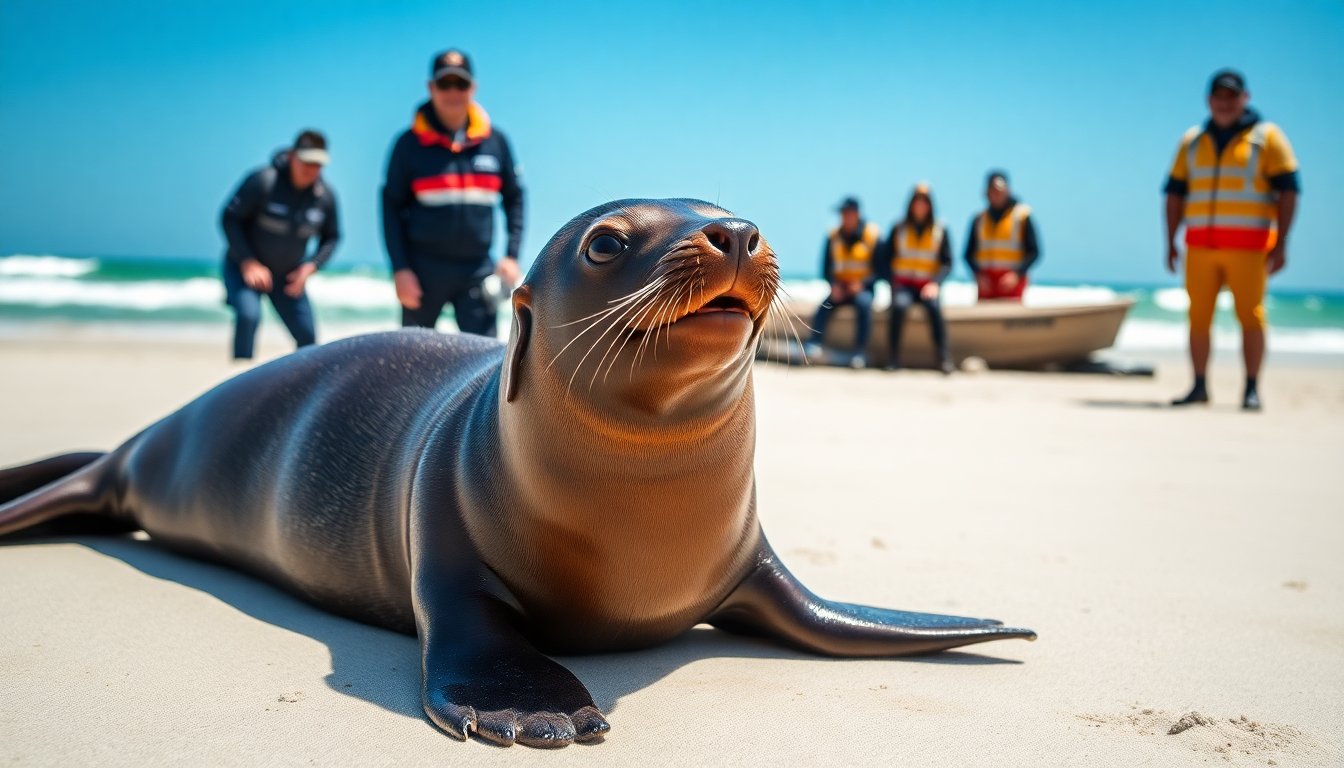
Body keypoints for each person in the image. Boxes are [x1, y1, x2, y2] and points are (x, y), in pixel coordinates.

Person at [1164, 69, 1300, 411]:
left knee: (1251, 316)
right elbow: (1174, 194)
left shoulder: (1267, 138)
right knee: (1198, 317)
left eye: (1231, 97)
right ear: (1209, 101)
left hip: (1249, 247)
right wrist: (1169, 241)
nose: (1224, 104)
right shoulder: (1192, 141)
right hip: (1200, 246)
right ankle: (1198, 385)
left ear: (1245, 98)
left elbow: (1289, 190)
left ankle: (1251, 388)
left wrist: (1282, 242)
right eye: (1218, 97)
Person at [381, 48, 524, 336]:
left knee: (484, 360)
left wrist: (511, 255)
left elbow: (515, 198)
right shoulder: (408, 145)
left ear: (473, 88)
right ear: (431, 87)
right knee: (413, 362)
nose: (453, 92)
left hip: (477, 271)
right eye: (445, 84)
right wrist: (400, 270)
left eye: (460, 84)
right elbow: (390, 208)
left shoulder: (496, 143)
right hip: (422, 272)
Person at [220, 130, 340, 360]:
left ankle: (302, 388)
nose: (311, 169)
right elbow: (229, 218)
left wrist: (311, 266)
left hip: (288, 275)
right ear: (292, 155)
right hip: (245, 268)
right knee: (248, 315)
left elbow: (332, 237)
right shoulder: (264, 181)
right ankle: (240, 380)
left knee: (308, 337)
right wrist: (248, 262)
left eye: (317, 164)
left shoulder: (325, 197)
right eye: (306, 161)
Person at [879, 183, 954, 373]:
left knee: (934, 308)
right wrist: (892, 282)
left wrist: (936, 283)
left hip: (927, 285)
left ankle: (943, 358)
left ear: (930, 205)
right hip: (903, 285)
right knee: (899, 307)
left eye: (924, 202)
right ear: (911, 204)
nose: (920, 206)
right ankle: (893, 359)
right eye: (917, 202)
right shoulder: (898, 228)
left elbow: (947, 263)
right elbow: (884, 260)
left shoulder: (940, 229)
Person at [804, 197, 880, 368]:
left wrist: (862, 284)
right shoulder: (833, 236)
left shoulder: (872, 235)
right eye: (843, 214)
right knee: (824, 307)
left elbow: (882, 270)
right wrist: (834, 285)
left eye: (848, 213)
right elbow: (825, 268)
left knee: (864, 304)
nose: (845, 217)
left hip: (862, 288)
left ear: (857, 214)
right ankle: (814, 344)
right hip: (840, 287)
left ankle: (859, 352)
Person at [964, 171, 1040, 301]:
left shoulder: (1021, 216)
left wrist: (1017, 274)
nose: (996, 195)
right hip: (986, 283)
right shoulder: (979, 219)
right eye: (993, 191)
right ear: (986, 192)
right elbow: (967, 254)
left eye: (1000, 191)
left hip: (1011, 283)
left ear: (1008, 190)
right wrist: (978, 275)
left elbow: (1034, 252)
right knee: (985, 319)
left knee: (1011, 318)